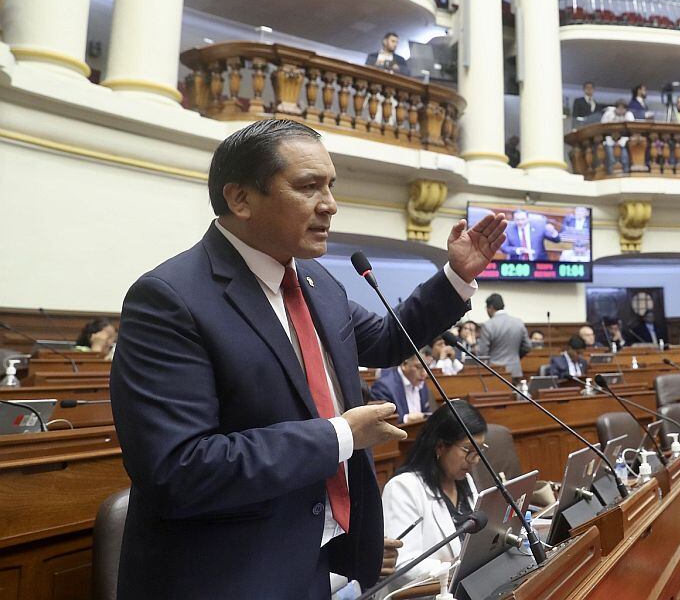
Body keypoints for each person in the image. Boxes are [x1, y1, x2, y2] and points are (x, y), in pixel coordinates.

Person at [109, 119, 505, 598]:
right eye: (308, 186)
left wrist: (455, 278)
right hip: (223, 575)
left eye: (331, 186)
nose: (330, 204)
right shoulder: (171, 298)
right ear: (240, 199)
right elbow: (180, 468)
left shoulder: (318, 284)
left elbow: (384, 339)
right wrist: (339, 435)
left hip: (313, 563)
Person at [380, 400, 487, 583]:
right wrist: (456, 569)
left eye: (479, 451)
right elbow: (403, 565)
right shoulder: (403, 488)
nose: (475, 460)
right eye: (468, 450)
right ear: (440, 446)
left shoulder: (465, 481)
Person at [477, 293, 531, 378]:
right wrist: (516, 356)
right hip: (515, 370)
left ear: (490, 307)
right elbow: (527, 346)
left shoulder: (488, 325)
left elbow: (483, 354)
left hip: (495, 372)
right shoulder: (518, 323)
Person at [370, 353, 432, 423]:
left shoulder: (421, 384)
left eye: (427, 367)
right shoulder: (383, 386)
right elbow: (383, 422)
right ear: (404, 365)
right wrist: (406, 419)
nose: (424, 373)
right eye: (419, 367)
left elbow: (426, 412)